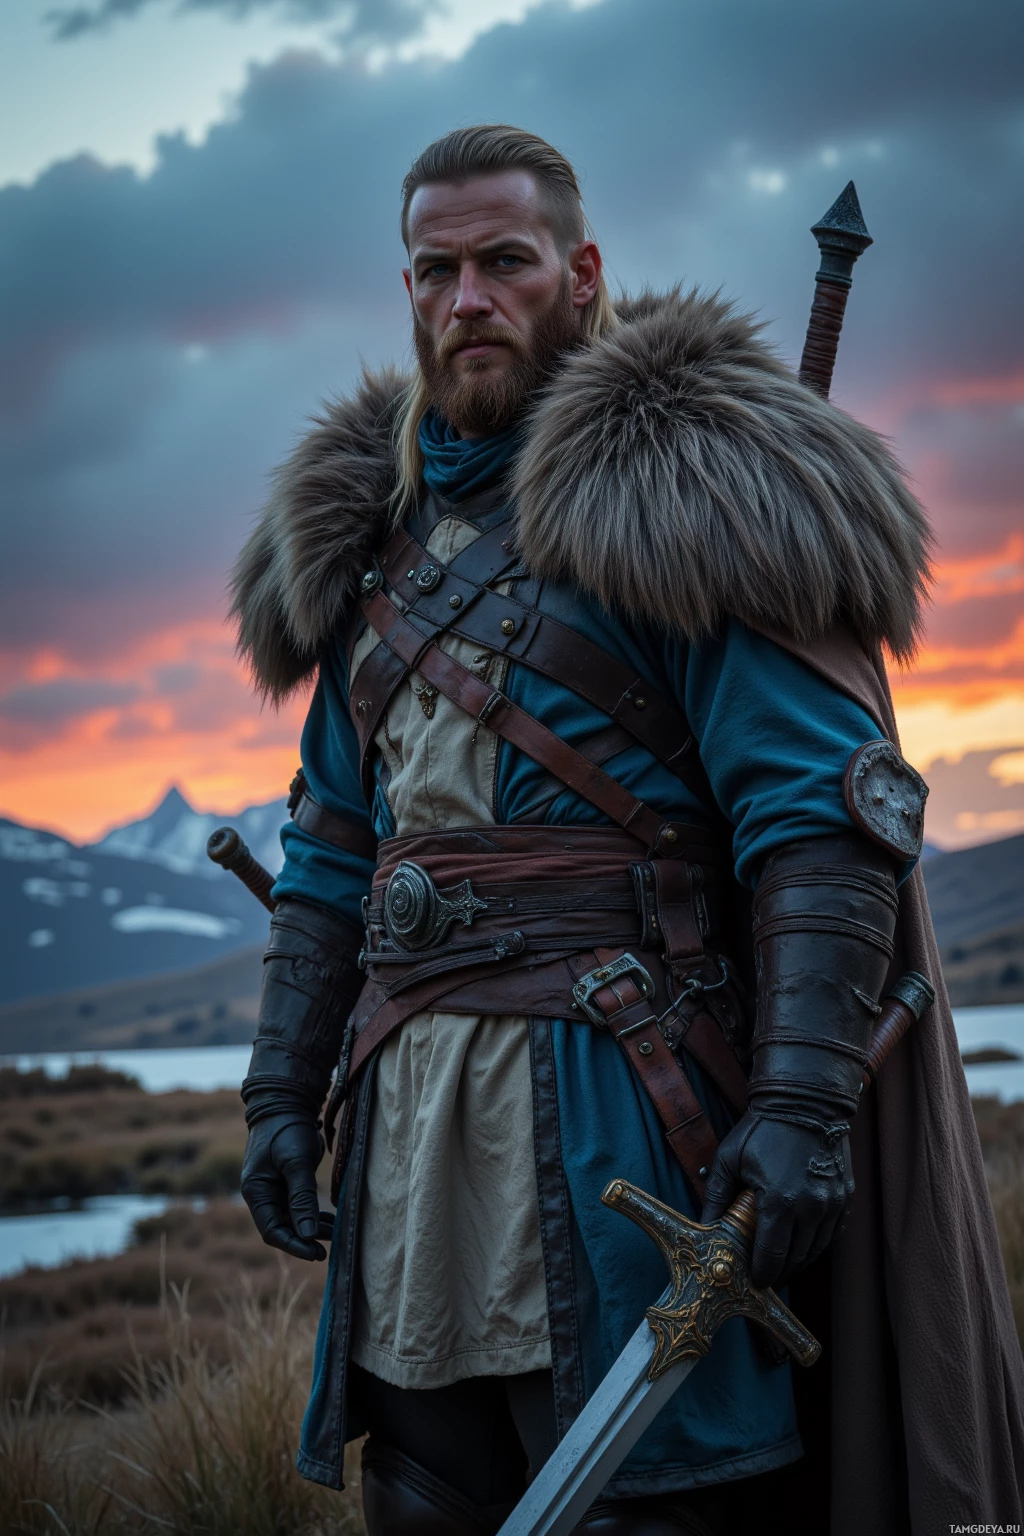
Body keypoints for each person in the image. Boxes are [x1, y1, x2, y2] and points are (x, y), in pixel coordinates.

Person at [231, 125, 1024, 1534]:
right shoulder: (374, 548)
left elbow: (818, 818)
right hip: (414, 1140)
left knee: (654, 1505)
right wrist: (281, 1092)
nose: (466, 298)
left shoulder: (682, 494)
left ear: (580, 273)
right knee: (423, 1497)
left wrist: (797, 1108)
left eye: (503, 263)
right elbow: (335, 852)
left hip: (627, 1110)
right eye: (435, 270)